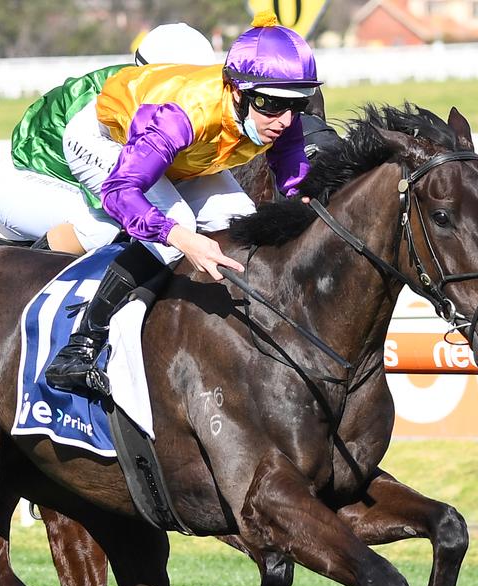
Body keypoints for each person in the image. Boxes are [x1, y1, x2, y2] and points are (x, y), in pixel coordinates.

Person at [34, 12, 321, 398]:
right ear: (237, 91)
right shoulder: (184, 114)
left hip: (187, 152)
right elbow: (122, 191)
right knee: (178, 225)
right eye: (271, 105)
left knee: (239, 220)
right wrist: (181, 238)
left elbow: (292, 172)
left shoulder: (276, 112)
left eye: (297, 106)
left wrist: (306, 200)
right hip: (108, 139)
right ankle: (82, 345)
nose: (286, 120)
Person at [0, 22, 215, 253]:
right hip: (26, 179)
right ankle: (32, 283)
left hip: (83, 178)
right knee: (104, 228)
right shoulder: (110, 102)